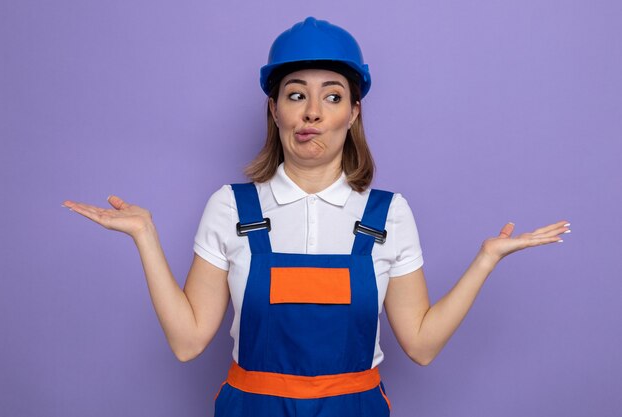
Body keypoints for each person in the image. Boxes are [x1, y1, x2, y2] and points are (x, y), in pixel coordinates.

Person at [62, 16, 569, 417]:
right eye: (296, 94)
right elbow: (187, 341)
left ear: (352, 114)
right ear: (276, 110)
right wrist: (145, 237)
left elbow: (421, 345)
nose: (312, 113)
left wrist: (485, 260)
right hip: (252, 409)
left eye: (332, 96)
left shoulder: (389, 213)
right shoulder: (231, 207)